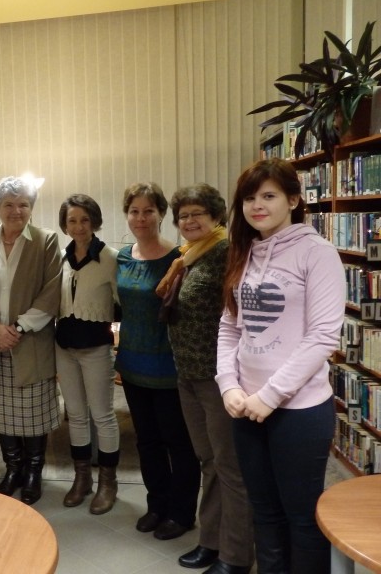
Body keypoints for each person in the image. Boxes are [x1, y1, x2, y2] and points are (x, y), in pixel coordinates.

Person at [216, 158, 344, 574]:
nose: (257, 205)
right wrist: (228, 385)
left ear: (292, 200)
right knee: (264, 513)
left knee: (302, 519)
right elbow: (230, 327)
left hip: (299, 412)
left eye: (268, 196)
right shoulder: (243, 252)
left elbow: (322, 337)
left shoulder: (317, 252)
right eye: (249, 198)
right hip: (246, 407)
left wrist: (270, 396)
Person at [158, 184, 253, 574]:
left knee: (229, 467)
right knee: (209, 461)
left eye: (197, 213)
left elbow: (239, 320)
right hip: (188, 376)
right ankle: (211, 541)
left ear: (216, 216)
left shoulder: (227, 254)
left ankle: (236, 556)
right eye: (183, 216)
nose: (189, 221)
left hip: (219, 379)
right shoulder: (187, 256)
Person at [0, 176, 61, 505]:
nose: (15, 211)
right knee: (1, 413)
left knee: (33, 414)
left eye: (23, 204)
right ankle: (13, 468)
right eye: (8, 204)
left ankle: (33, 471)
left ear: (31, 208)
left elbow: (51, 291)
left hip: (29, 343)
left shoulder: (46, 241)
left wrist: (17, 328)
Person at [115, 182, 200, 540]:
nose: (141, 218)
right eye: (134, 211)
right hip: (132, 366)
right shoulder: (122, 257)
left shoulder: (179, 258)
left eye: (148, 210)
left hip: (169, 368)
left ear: (162, 214)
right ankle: (157, 505)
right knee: (146, 441)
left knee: (178, 443)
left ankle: (181, 513)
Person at [55, 194, 120, 515]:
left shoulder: (110, 258)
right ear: (64, 225)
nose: (78, 226)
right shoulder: (61, 258)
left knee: (102, 416)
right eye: (72, 220)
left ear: (94, 220)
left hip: (96, 349)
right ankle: (82, 479)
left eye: (84, 219)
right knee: (76, 415)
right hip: (64, 349)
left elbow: (122, 304)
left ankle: (108, 482)